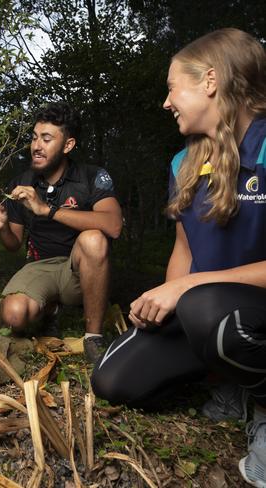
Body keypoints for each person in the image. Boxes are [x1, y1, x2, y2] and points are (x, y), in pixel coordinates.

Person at [89, 28, 266, 487]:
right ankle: (227, 380)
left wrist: (184, 290)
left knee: (205, 308)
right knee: (113, 379)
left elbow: (192, 286)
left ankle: (261, 406)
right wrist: (161, 301)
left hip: (241, 312)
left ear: (210, 80)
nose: (166, 102)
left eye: (172, 87)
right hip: (207, 314)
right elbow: (184, 251)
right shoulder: (181, 164)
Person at [0, 102, 123, 364]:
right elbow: (14, 244)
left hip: (78, 269)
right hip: (40, 266)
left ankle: (93, 337)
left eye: (46, 139)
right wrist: (2, 227)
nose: (36, 146)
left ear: (67, 145)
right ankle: (50, 311)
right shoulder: (22, 182)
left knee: (93, 238)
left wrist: (47, 210)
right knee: (13, 316)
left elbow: (113, 225)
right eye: (34, 138)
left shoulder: (92, 176)